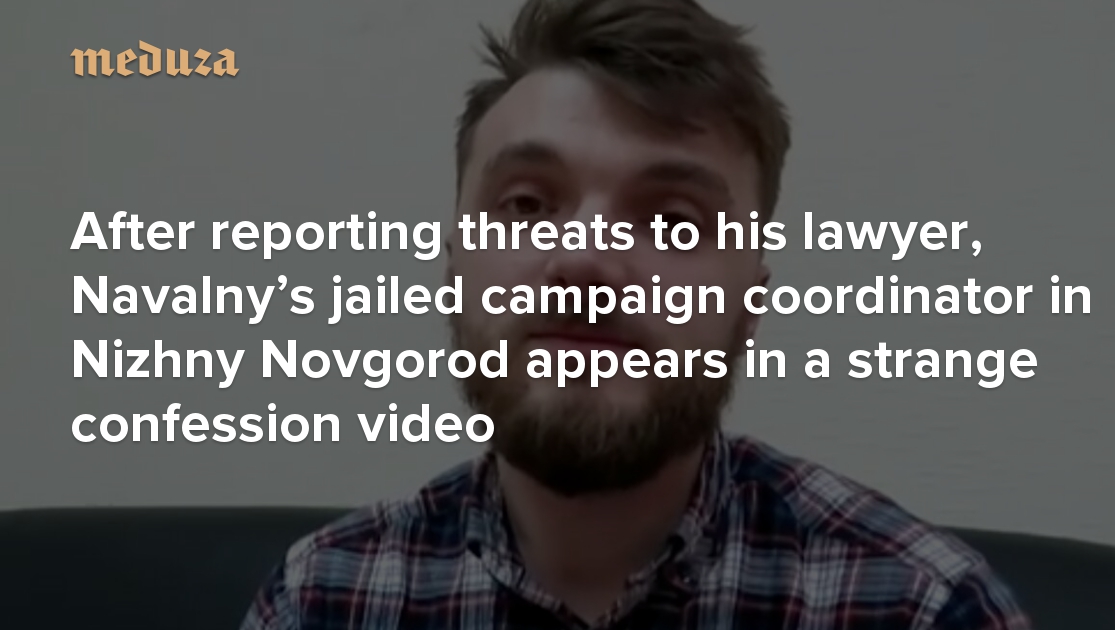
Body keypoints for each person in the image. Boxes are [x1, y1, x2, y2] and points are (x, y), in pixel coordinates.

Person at [241, 0, 1032, 627]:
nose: (586, 258)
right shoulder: (322, 599)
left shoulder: (922, 607)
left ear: (751, 304)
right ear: (452, 270)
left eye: (675, 222)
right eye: (527, 204)